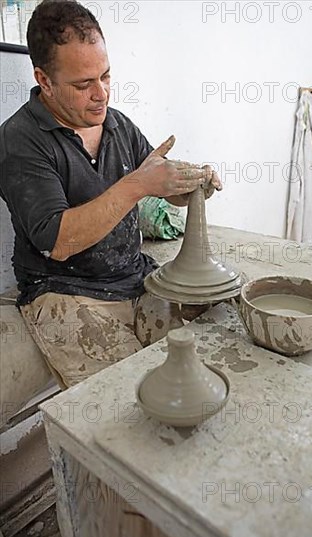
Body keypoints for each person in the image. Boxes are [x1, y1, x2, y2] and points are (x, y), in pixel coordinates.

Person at [0, 0, 221, 389]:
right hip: (65, 292)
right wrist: (137, 185)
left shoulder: (117, 124)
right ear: (45, 80)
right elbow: (58, 241)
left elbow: (158, 185)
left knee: (204, 357)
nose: (101, 94)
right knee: (128, 400)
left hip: (133, 276)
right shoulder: (20, 139)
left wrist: (188, 186)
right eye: (84, 84)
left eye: (106, 76)